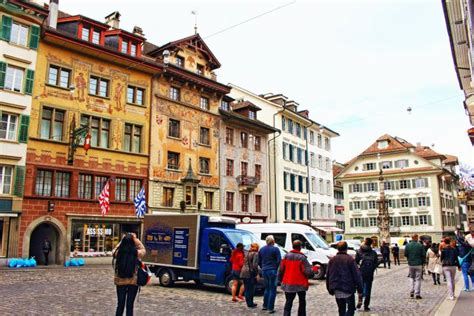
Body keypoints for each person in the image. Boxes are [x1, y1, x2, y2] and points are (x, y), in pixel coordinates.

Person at [278, 240, 314, 316]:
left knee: (288, 302)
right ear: (300, 247)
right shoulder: (302, 258)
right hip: (300, 283)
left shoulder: (286, 256)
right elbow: (307, 272)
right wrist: (313, 271)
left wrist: (280, 280)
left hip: (288, 282)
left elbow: (281, 269)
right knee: (302, 302)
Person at [113, 233, 146, 316]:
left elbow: (113, 251)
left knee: (120, 305)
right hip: (132, 281)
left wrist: (123, 240)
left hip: (120, 281)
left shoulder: (118, 253)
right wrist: (135, 239)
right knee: (130, 306)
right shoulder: (135, 253)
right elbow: (143, 250)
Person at [327, 241, 363, 316]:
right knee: (351, 309)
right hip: (348, 288)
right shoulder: (350, 260)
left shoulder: (332, 260)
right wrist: (360, 289)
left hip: (337, 288)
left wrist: (330, 288)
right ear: (346, 249)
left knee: (341, 310)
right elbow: (357, 276)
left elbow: (328, 275)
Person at [259, 235, 281, 313]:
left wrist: (263, 267)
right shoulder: (275, 249)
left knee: (267, 288)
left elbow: (259, 261)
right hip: (272, 270)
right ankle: (270, 308)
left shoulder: (261, 249)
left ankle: (265, 305)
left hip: (264, 270)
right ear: (273, 241)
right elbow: (279, 260)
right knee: (272, 289)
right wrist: (275, 267)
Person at [355, 238, 378, 312]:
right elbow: (375, 263)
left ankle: (360, 298)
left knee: (360, 286)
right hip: (369, 273)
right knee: (368, 288)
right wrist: (372, 269)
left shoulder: (359, 251)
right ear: (370, 244)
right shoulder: (373, 252)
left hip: (361, 272)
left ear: (365, 242)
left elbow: (356, 262)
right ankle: (366, 306)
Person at [404, 234, 426, 299]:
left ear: (412, 237)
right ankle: (417, 293)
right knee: (418, 279)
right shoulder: (420, 245)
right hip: (419, 263)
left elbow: (405, 254)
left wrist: (410, 258)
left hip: (411, 264)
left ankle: (411, 291)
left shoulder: (408, 245)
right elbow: (423, 254)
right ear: (416, 238)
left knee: (411, 277)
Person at [240, 242, 260, 308]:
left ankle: (249, 302)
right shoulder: (255, 254)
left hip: (243, 272)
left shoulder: (247, 253)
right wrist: (257, 274)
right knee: (251, 288)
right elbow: (254, 265)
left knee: (247, 288)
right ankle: (250, 303)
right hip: (249, 273)